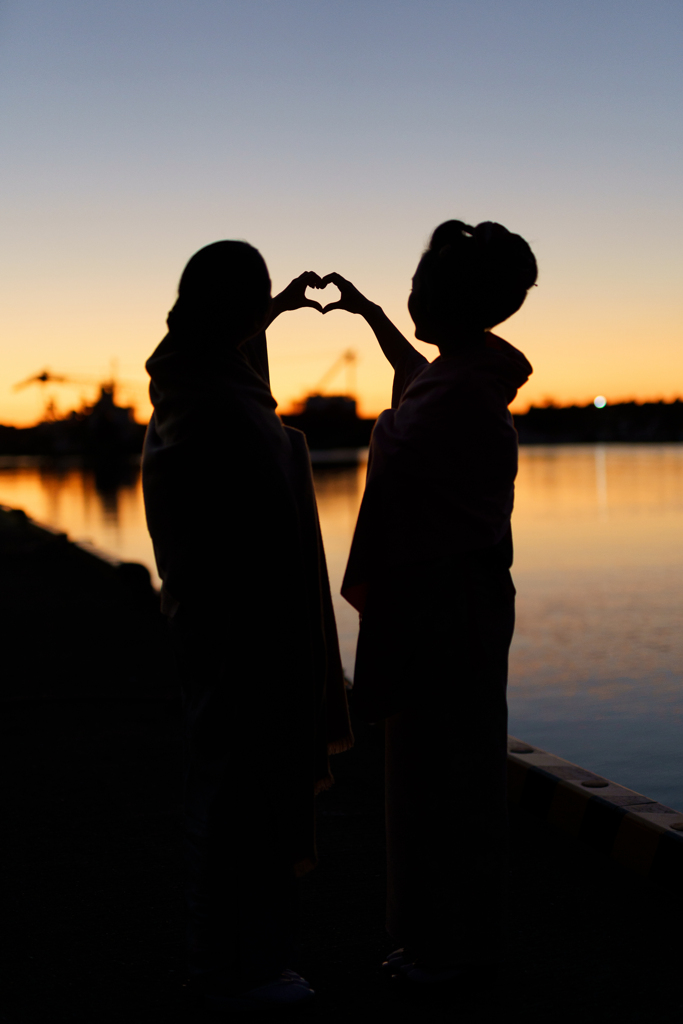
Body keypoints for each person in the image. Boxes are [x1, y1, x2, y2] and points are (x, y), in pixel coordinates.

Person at [322, 221, 536, 985]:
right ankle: (441, 936)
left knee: (444, 778)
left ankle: (452, 947)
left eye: (417, 289)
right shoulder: (468, 375)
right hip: (456, 595)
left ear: (449, 300)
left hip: (446, 603)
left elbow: (410, 437)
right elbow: (416, 378)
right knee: (443, 769)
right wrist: (370, 315)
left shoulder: (457, 395)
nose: (409, 297)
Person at [142, 241, 352, 1012]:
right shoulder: (218, 405)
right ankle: (236, 970)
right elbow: (246, 520)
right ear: (230, 309)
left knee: (231, 793)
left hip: (221, 628)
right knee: (241, 799)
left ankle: (236, 961)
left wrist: (278, 308)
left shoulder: (190, 382)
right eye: (254, 298)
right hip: (246, 636)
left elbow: (230, 362)